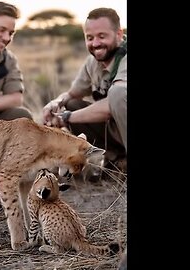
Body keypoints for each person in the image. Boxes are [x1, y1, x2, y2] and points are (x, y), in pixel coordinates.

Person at [42, 7, 127, 163]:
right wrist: (56, 103)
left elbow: (112, 103)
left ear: (119, 34)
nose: (95, 43)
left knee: (118, 93)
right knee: (71, 103)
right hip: (118, 132)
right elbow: (72, 94)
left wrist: (66, 118)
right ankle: (116, 160)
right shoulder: (93, 63)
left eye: (102, 36)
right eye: (89, 37)